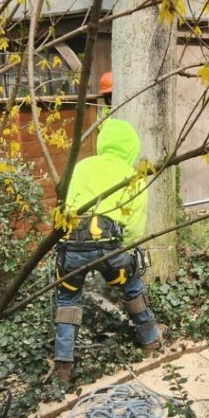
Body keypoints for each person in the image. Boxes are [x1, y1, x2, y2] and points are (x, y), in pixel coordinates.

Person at [53, 115, 162, 383]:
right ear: (132, 148)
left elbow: (64, 207)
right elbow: (134, 228)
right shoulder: (134, 177)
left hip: (72, 247)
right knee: (132, 288)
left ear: (103, 143)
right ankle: (150, 339)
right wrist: (127, 253)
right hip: (110, 249)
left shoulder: (81, 167)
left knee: (68, 300)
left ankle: (63, 364)